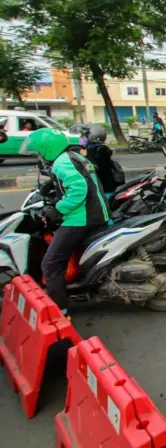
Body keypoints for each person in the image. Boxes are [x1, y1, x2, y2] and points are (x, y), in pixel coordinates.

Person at [21, 129, 110, 315]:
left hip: (81, 218)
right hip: (96, 214)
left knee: (50, 264)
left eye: (39, 152)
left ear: (48, 149)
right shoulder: (73, 156)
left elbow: (78, 189)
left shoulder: (61, 162)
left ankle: (60, 312)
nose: (39, 156)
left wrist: (57, 210)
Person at [84, 125, 122, 196]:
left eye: (86, 136)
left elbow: (96, 165)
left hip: (105, 186)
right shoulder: (94, 148)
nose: (84, 139)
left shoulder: (101, 149)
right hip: (100, 184)